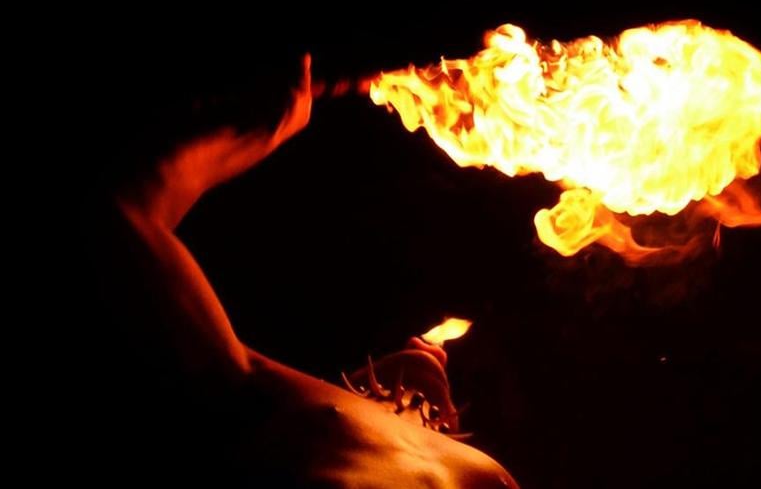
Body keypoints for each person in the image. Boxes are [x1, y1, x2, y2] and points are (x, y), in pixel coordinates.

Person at [92, 54, 519, 488]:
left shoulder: (491, 477)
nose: (422, 344)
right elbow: (123, 220)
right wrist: (258, 129)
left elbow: (127, 214)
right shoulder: (267, 406)